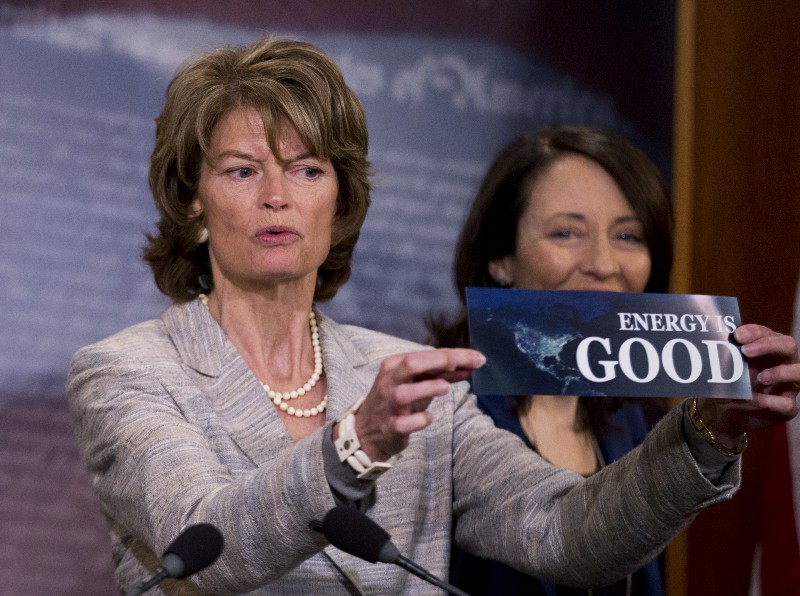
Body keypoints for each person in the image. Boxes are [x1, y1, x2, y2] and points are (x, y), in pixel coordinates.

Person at [66, 37, 800, 595]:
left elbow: (565, 530)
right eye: (241, 170)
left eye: (308, 169)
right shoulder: (127, 373)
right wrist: (353, 444)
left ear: (340, 202)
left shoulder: (413, 387)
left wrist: (707, 430)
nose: (277, 195)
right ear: (192, 203)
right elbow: (212, 540)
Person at [429, 127, 674, 595]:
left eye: (628, 236)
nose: (603, 263)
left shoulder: (635, 418)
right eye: (567, 232)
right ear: (501, 258)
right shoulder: (443, 404)